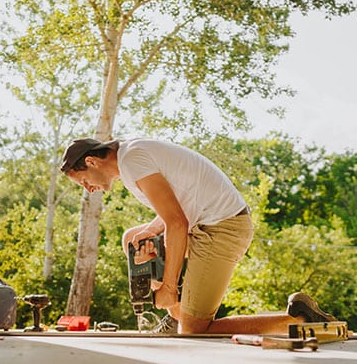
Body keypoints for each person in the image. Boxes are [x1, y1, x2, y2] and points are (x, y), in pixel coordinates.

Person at [60, 137, 337, 334]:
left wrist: (168, 287)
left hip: (224, 229)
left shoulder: (132, 159)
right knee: (134, 238)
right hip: (204, 225)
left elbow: (177, 223)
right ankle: (176, 314)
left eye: (83, 181)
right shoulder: (130, 154)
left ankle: (300, 319)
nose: (88, 189)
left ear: (91, 162)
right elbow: (179, 203)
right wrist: (152, 229)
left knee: (195, 330)